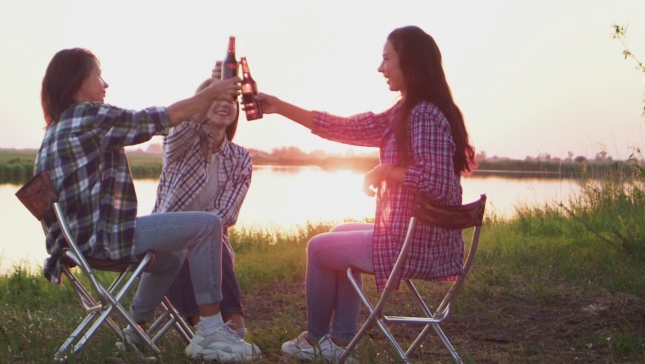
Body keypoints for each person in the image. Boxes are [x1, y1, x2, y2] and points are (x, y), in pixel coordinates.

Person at [255, 26, 476, 363]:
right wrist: (280, 107)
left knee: (318, 248)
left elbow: (440, 185)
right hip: (415, 236)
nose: (380, 68)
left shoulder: (425, 115)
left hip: (420, 245)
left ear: (411, 63)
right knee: (339, 233)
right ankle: (338, 343)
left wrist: (388, 171)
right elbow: (346, 127)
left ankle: (316, 340)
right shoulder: (406, 111)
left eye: (387, 58)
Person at [35, 48, 261, 362]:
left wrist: (211, 93)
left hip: (74, 244)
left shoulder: (60, 124)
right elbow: (157, 120)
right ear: (76, 81)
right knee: (208, 226)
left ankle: (134, 331)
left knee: (172, 258)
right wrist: (212, 92)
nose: (105, 83)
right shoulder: (88, 117)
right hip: (102, 239)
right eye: (98, 75)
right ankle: (210, 330)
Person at [154, 69, 253, 337]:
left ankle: (234, 325)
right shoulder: (180, 143)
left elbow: (227, 212)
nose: (224, 103)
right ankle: (204, 329)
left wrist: (198, 237)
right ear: (202, 103)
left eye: (230, 99)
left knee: (210, 232)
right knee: (182, 244)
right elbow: (180, 129)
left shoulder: (241, 158)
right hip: (165, 237)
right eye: (215, 97)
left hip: (212, 243)